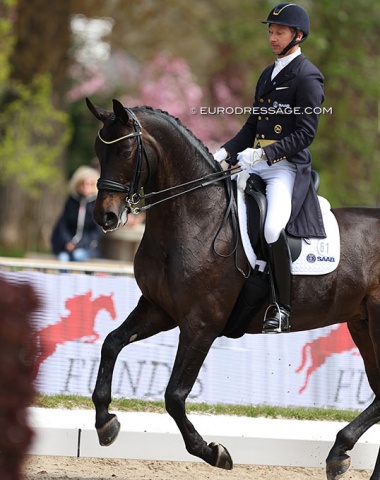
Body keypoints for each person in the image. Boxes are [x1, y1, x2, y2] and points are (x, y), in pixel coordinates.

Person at [214, 3, 326, 333]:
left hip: (285, 169)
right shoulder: (268, 73)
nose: (272, 37)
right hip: (254, 163)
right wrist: (223, 151)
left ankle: (282, 307)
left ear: (298, 35)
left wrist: (262, 156)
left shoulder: (307, 76)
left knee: (272, 229)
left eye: (279, 32)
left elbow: (306, 134)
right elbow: (252, 127)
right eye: (271, 31)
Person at [51, 166, 103, 262]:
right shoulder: (71, 201)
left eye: (89, 184)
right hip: (66, 246)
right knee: (63, 259)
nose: (85, 187)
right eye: (82, 183)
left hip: (87, 247)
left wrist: (79, 244)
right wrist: (68, 242)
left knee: (78, 255)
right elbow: (63, 225)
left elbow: (97, 231)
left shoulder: (96, 203)